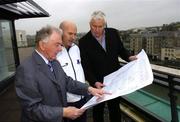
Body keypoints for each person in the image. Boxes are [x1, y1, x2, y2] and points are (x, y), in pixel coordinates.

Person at [15, 25, 106, 122]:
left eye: (61, 45)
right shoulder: (26, 70)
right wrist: (63, 112)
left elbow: (67, 82)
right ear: (42, 45)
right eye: (57, 45)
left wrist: (90, 89)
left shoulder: (54, 62)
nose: (60, 49)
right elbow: (31, 109)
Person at [78, 10, 137, 122]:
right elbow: (85, 67)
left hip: (115, 79)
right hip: (97, 83)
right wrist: (94, 82)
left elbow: (121, 50)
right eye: (94, 26)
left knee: (115, 108)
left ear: (104, 25)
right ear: (89, 24)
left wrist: (129, 57)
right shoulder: (83, 42)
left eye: (100, 26)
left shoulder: (113, 33)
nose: (96, 29)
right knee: (98, 111)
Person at [56, 20, 87, 122]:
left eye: (75, 34)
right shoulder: (54, 52)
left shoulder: (76, 48)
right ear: (60, 32)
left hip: (83, 98)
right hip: (67, 103)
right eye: (70, 33)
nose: (73, 37)